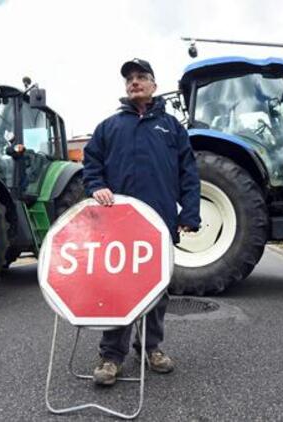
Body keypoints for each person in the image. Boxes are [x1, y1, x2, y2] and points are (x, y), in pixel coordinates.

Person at [83, 58, 201, 386]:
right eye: (130, 79)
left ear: (153, 85)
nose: (134, 82)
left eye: (141, 77)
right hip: (117, 225)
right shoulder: (109, 127)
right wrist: (96, 186)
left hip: (158, 223)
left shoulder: (172, 127)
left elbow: (189, 172)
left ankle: (151, 347)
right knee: (117, 287)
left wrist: (189, 213)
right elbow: (91, 165)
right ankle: (111, 356)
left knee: (157, 289)